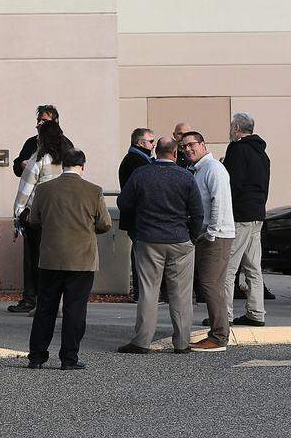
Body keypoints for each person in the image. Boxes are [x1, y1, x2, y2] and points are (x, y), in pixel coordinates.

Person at [116, 137, 202, 354]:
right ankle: (182, 342)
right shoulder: (186, 176)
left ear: (157, 152)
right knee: (181, 294)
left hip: (148, 239)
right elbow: (198, 212)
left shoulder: (141, 174)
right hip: (180, 240)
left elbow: (123, 203)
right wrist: (191, 236)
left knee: (148, 292)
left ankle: (141, 341)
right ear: (175, 154)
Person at [26, 149, 111, 370]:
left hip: (50, 258)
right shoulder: (94, 191)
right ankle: (69, 358)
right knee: (75, 310)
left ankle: (36, 356)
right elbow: (105, 224)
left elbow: (34, 219)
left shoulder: (44, 189)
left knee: (45, 308)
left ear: (62, 165)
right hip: (82, 260)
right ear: (83, 166)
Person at [180, 132, 236, 352]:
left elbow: (219, 202)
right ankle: (218, 333)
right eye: (184, 146)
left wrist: (212, 232)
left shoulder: (214, 169)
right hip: (207, 235)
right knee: (212, 284)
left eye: (191, 145)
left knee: (211, 284)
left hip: (217, 235)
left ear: (203, 145)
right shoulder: (198, 170)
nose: (187, 149)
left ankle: (219, 336)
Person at [10, 120, 68, 314]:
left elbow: (25, 190)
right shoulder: (67, 159)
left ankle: (43, 304)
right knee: (58, 262)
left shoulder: (38, 159)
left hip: (39, 217)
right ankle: (59, 304)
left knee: (38, 262)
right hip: (63, 218)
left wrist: (18, 215)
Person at [221, 112, 271, 326]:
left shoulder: (237, 149)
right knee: (253, 267)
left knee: (228, 268)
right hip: (257, 214)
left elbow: (233, 184)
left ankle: (224, 316)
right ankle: (256, 312)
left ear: (238, 129)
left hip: (240, 215)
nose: (230, 130)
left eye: (232, 126)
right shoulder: (262, 153)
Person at [119, 127, 155, 303]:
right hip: (138, 218)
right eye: (150, 141)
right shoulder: (136, 161)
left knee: (142, 255)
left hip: (137, 218)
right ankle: (141, 294)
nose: (153, 145)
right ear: (140, 143)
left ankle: (142, 293)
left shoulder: (139, 160)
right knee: (141, 256)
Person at [12, 104, 73, 177]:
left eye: (44, 120)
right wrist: (22, 165)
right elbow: (17, 168)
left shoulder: (65, 144)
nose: (39, 124)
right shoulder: (31, 142)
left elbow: (71, 170)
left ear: (55, 121)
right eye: (38, 120)